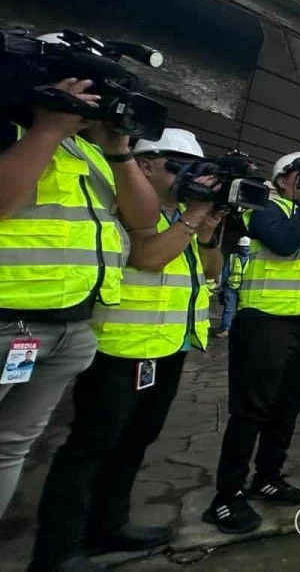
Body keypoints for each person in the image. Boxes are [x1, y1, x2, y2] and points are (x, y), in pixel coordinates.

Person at [28, 128, 226, 571]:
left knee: (136, 442)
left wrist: (208, 232)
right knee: (90, 447)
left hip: (167, 347)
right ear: (145, 164)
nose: (189, 175)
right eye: (178, 165)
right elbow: (149, 257)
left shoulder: (184, 216)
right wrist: (193, 219)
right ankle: (57, 553)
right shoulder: (129, 208)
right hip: (117, 350)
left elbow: (213, 271)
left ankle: (108, 526)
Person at [0, 76, 161, 527]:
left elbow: (144, 220)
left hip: (69, 326)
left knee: (12, 445)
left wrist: (119, 149)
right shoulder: (15, 134)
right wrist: (47, 130)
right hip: (9, 319)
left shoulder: (91, 153)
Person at [205, 151, 300, 534]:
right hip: (265, 322)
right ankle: (226, 496)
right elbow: (283, 241)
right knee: (251, 410)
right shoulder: (262, 206)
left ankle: (268, 476)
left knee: (287, 409)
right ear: (281, 179)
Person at [217, 236, 251, 339]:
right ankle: (226, 329)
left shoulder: (253, 258)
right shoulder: (233, 257)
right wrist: (221, 286)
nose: (244, 249)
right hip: (231, 287)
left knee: (244, 310)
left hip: (245, 288)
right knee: (229, 309)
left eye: (246, 247)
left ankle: (241, 330)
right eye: (243, 247)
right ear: (239, 247)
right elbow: (226, 272)